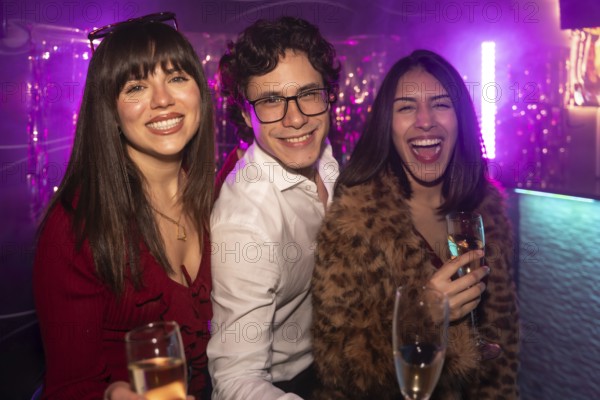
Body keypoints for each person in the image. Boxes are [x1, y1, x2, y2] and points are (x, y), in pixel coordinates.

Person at [311, 49, 520, 399]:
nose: (425, 121)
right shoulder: (354, 222)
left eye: (440, 104)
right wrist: (425, 316)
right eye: (406, 107)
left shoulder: (487, 212)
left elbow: (503, 349)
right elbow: (341, 370)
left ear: (461, 119)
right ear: (386, 126)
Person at [32, 13, 215, 400]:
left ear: (201, 91)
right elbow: (69, 387)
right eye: (136, 86)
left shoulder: (218, 199)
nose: (163, 100)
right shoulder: (76, 229)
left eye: (177, 78)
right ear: (110, 111)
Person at [207, 16, 341, 399]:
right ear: (245, 115)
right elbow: (234, 380)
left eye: (309, 94)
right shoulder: (247, 221)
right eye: (270, 101)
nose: (296, 118)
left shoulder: (325, 156)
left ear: (328, 95)